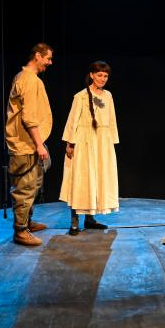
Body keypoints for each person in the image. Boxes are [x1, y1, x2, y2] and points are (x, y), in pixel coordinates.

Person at [59, 60, 120, 235]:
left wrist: (111, 142)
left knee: (97, 178)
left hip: (102, 142)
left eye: (106, 76)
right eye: (99, 75)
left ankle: (90, 219)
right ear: (92, 75)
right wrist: (70, 143)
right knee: (81, 179)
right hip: (84, 141)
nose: (103, 79)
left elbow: (111, 119)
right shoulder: (81, 96)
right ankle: (74, 222)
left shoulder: (108, 96)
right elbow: (72, 121)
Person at [6, 43, 54, 246]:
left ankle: (26, 222)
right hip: (26, 144)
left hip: (30, 142)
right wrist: (39, 144)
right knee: (25, 187)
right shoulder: (29, 80)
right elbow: (28, 117)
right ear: (38, 56)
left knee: (33, 184)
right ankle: (20, 230)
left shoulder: (24, 77)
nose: (50, 63)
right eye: (48, 58)